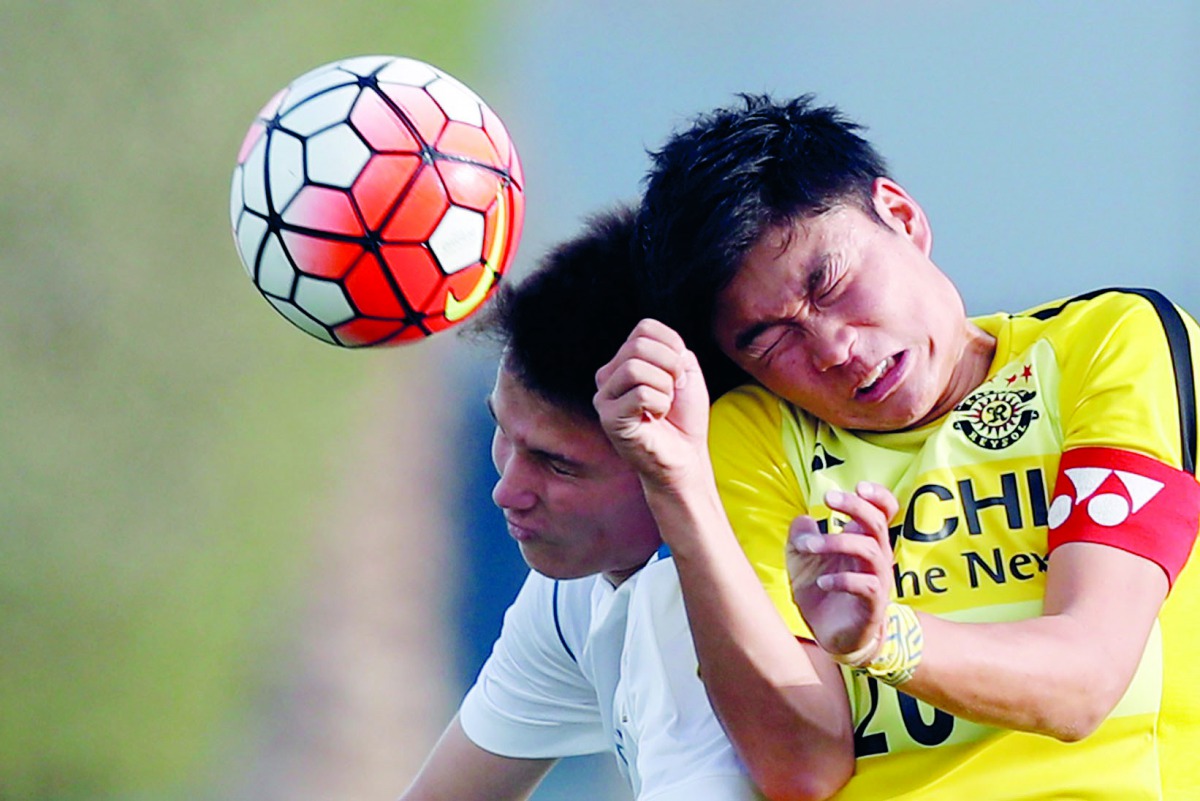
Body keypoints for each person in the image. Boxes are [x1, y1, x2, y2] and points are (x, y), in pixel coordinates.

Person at [595, 94, 1200, 800]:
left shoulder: (1109, 344)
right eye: (770, 339)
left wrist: (884, 638)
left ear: (904, 219)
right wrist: (679, 488)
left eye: (831, 283)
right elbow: (804, 768)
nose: (834, 348)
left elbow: (1085, 680)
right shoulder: (753, 436)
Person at [398, 206, 760, 801]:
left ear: (684, 453)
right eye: (504, 435)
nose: (506, 492)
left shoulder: (716, 633)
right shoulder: (574, 594)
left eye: (557, 463)